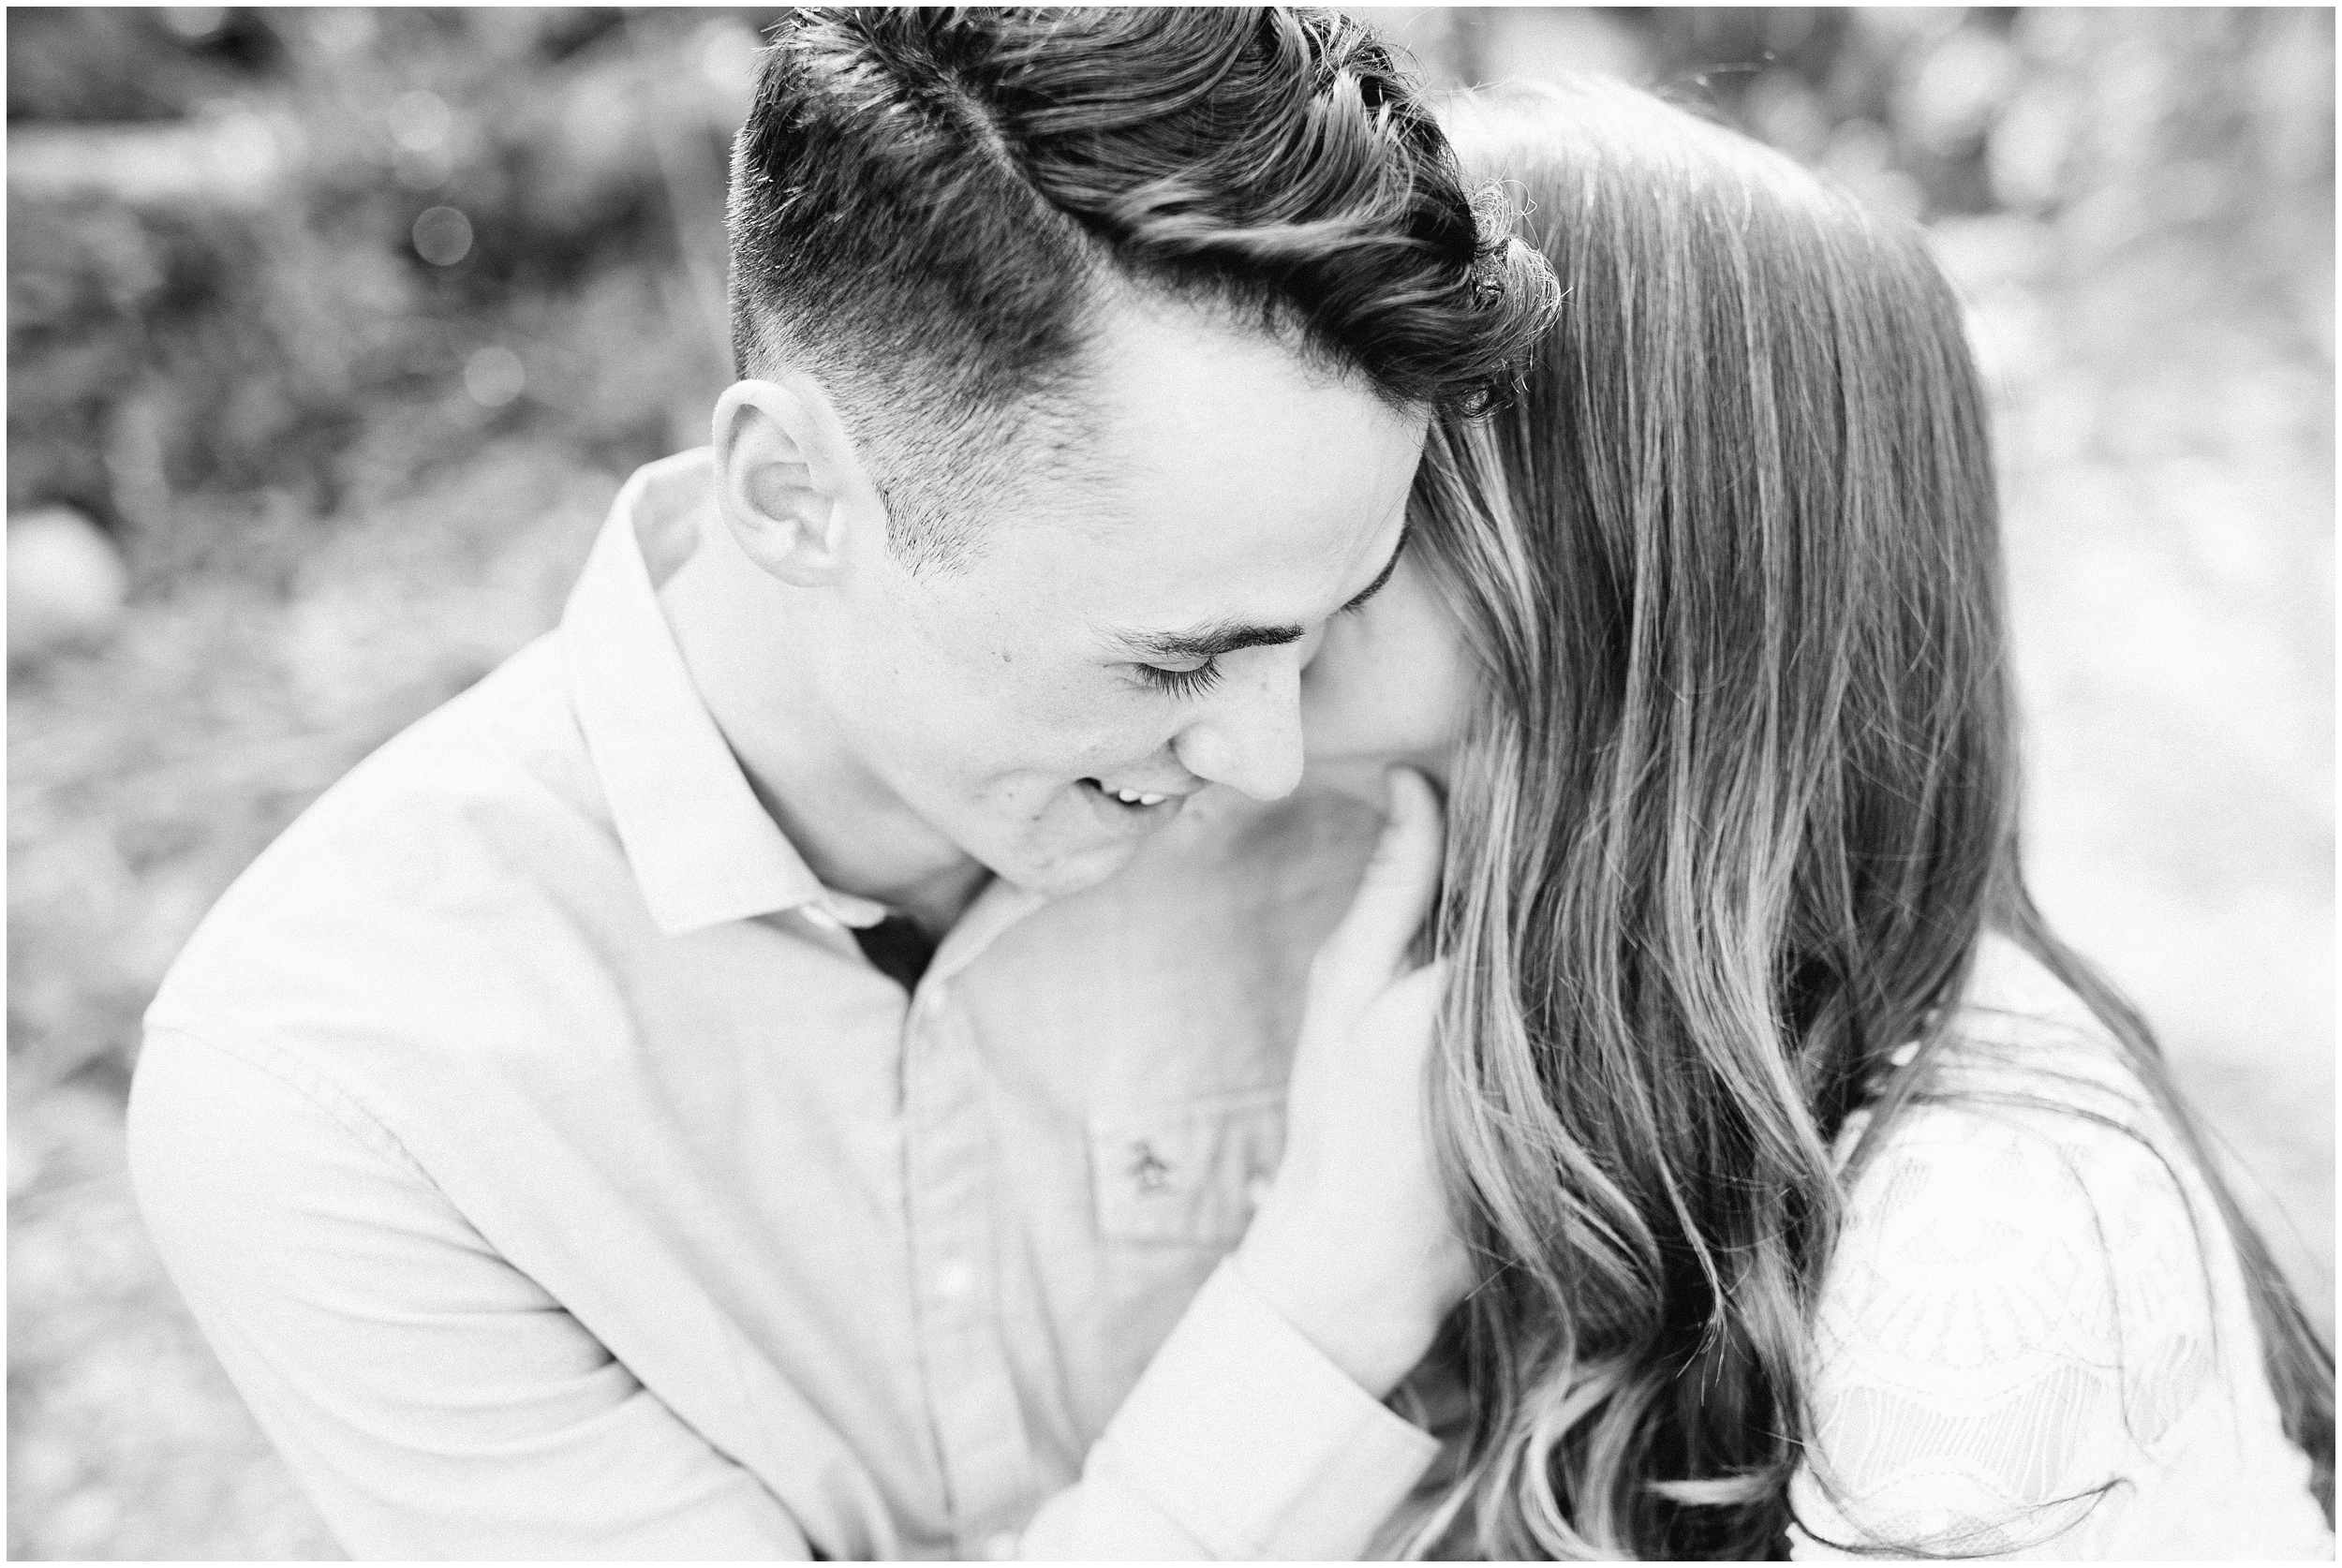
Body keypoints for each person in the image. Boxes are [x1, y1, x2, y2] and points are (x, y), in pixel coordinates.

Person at [126, 10, 1553, 1559]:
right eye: (1173, 661)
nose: (1273, 755)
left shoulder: (1405, 810)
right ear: (793, 497)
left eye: (1335, 609)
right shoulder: (337, 1087)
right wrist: (1330, 1298)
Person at [1298, 78, 2336, 1560]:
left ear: (1636, 528)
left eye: (1400, 411)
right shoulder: (1472, 968)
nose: (1317, 478)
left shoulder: (1976, 1231)